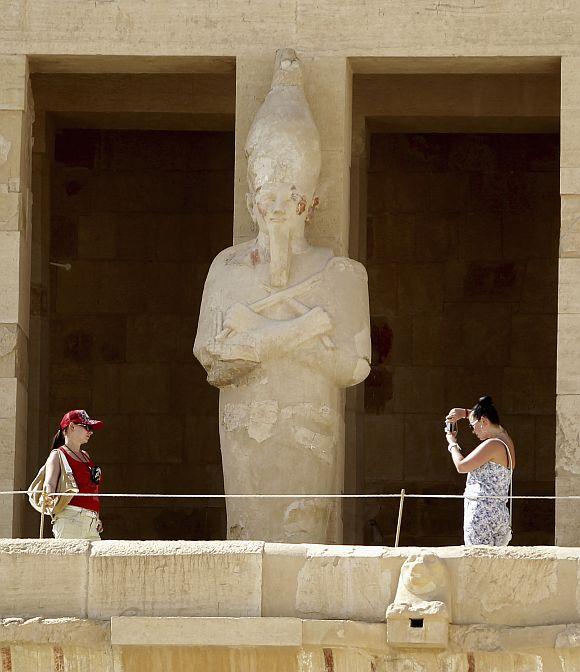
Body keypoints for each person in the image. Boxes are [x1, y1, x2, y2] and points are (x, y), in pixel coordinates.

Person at [193, 50, 371, 543]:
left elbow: (354, 366)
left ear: (310, 203)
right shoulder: (226, 268)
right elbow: (212, 357)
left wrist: (259, 334)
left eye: (287, 199)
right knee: (247, 533)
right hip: (245, 428)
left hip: (309, 429)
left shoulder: (342, 274)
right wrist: (301, 331)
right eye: (265, 199)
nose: (274, 211)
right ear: (251, 200)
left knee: (307, 537)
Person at [445, 396, 515, 546]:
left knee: (476, 565)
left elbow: (461, 466)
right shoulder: (505, 438)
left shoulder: (493, 445)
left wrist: (452, 443)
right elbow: (482, 416)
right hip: (499, 513)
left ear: (484, 422)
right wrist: (464, 413)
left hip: (481, 513)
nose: (472, 431)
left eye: (472, 426)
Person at [43, 409, 104, 540]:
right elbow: (49, 484)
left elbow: (92, 489)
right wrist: (49, 501)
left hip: (92, 523)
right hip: (69, 518)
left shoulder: (86, 456)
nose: (91, 432)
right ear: (72, 426)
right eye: (87, 427)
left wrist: (97, 516)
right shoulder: (58, 454)